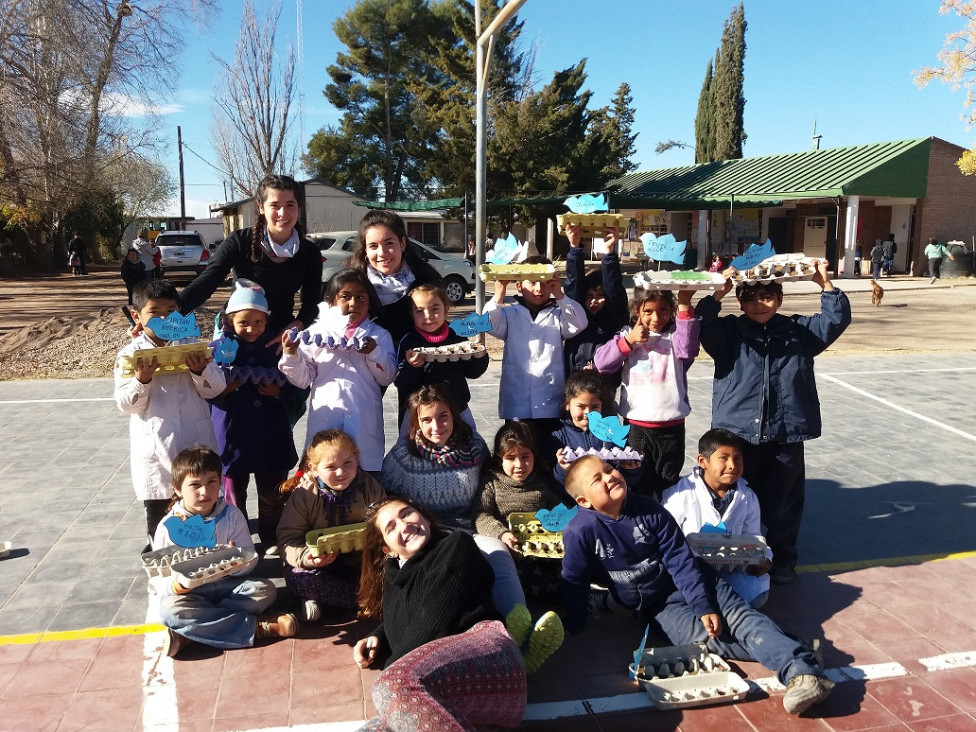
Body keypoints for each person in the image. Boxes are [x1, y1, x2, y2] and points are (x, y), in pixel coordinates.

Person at [560, 456, 835, 716]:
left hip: (699, 580)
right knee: (706, 641)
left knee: (741, 620)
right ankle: (796, 647)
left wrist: (703, 606)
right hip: (658, 607)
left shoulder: (651, 511)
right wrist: (574, 622)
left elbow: (680, 560)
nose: (610, 477)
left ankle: (803, 674)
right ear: (583, 501)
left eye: (609, 469)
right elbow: (575, 578)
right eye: (598, 479)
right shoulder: (580, 531)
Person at [695, 260, 851, 584]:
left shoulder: (798, 331)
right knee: (735, 497)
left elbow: (835, 320)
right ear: (739, 302)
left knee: (784, 500)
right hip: (738, 434)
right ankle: (736, 557)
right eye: (750, 298)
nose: (759, 304)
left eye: (767, 296)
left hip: (785, 432)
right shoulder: (729, 333)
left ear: (779, 298)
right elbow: (699, 323)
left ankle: (782, 559)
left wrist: (826, 285)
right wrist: (718, 291)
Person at [381, 383, 557, 654]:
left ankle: (519, 631)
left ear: (454, 415)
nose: (436, 426)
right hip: (425, 536)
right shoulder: (402, 458)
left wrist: (500, 531)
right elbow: (384, 500)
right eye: (426, 420)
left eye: (443, 416)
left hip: (468, 528)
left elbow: (489, 490)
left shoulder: (474, 449)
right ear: (416, 424)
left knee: (499, 555)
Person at [353, 498, 528, 730]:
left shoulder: (455, 546)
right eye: (391, 527)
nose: (404, 525)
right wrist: (380, 635)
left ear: (424, 516)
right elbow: (414, 613)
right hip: (438, 685)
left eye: (407, 514)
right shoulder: (395, 576)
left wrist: (391, 675)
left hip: (493, 660)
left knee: (392, 687)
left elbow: (434, 618)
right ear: (387, 549)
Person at [151, 446, 297, 658]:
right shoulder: (167, 527)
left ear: (220, 481)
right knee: (170, 611)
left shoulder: (231, 515)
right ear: (177, 488)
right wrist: (178, 586)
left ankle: (191, 634)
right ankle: (257, 627)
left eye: (212, 482)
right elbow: (158, 577)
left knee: (265, 590)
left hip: (228, 586)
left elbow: (250, 555)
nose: (205, 491)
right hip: (191, 594)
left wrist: (239, 563)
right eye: (195, 485)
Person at [114, 279, 226, 547]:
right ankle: (163, 566)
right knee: (161, 518)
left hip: (195, 443)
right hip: (156, 453)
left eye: (170, 311)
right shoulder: (130, 355)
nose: (164, 318)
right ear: (136, 316)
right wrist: (141, 380)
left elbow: (216, 388)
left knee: (204, 510)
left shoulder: (194, 347)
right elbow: (126, 404)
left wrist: (200, 370)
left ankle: (207, 562)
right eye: (155, 312)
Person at [208, 280, 298, 552]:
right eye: (244, 323)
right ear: (230, 320)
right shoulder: (218, 348)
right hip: (233, 432)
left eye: (259, 322)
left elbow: (296, 379)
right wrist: (223, 390)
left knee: (272, 489)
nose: (252, 329)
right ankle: (239, 537)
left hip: (270, 430)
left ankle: (271, 534)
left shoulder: (275, 345)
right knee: (234, 491)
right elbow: (204, 385)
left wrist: (279, 392)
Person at [279, 268, 396, 473]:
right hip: (326, 416)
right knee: (325, 474)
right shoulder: (315, 334)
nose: (353, 303)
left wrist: (374, 353)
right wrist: (291, 354)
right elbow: (302, 379)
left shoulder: (379, 336)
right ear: (331, 300)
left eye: (361, 297)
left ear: (370, 300)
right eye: (345, 296)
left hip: (363, 418)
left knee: (362, 481)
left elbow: (387, 376)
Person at [180, 175, 323, 339]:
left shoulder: (309, 252)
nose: (283, 213)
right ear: (261, 207)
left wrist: (295, 327)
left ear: (299, 207)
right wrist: (165, 315)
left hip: (279, 338)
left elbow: (312, 303)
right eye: (275, 205)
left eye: (290, 205)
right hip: (237, 334)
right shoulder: (239, 241)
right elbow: (205, 283)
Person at [594, 287, 699, 498]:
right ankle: (640, 524)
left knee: (669, 482)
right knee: (636, 479)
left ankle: (666, 522)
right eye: (648, 311)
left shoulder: (675, 337)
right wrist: (629, 341)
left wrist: (685, 304)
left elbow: (687, 349)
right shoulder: (627, 334)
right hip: (637, 426)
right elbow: (601, 363)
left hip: (672, 427)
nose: (656, 317)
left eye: (663, 310)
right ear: (637, 310)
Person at [276, 430, 386, 622]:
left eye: (347, 464)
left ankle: (355, 596)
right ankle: (367, 598)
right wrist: (308, 558)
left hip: (360, 564)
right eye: (331, 467)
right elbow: (288, 540)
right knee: (300, 578)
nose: (341, 473)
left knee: (391, 569)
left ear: (357, 458)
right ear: (314, 468)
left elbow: (386, 523)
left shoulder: (369, 487)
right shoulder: (305, 495)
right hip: (320, 569)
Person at [661, 428, 772, 608]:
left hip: (731, 569)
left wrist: (763, 559)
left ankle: (721, 603)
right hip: (690, 569)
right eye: (724, 458)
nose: (732, 465)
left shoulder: (747, 497)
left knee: (757, 596)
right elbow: (666, 540)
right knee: (685, 596)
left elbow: (754, 536)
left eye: (737, 458)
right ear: (702, 461)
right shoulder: (679, 495)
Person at [484, 255, 588, 444]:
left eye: (545, 283)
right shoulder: (510, 313)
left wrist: (561, 295)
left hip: (550, 399)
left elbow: (579, 323)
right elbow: (488, 324)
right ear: (518, 286)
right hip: (517, 400)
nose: (539, 289)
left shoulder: (558, 313)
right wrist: (498, 294)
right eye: (532, 283)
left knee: (549, 451)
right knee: (519, 449)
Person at [474, 421, 570, 597]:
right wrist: (501, 534)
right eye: (511, 458)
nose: (519, 465)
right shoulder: (492, 482)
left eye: (525, 456)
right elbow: (481, 516)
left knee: (572, 570)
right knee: (511, 576)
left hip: (544, 550)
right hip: (513, 552)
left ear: (534, 456)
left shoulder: (540, 483)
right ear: (499, 458)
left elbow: (562, 511)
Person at [393, 282, 489, 430]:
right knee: (411, 450)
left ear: (446, 309)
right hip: (420, 412)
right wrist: (410, 366)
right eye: (419, 311)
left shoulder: (457, 335)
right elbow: (401, 382)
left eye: (435, 309)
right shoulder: (409, 342)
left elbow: (472, 372)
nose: (428, 316)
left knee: (468, 446)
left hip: (457, 408)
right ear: (412, 314)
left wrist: (479, 355)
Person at [345, 209, 442, 344]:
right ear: (365, 250)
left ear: (402, 243)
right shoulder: (352, 285)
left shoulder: (425, 280)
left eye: (389, 243)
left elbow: (439, 329)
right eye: (373, 246)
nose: (382, 253)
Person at [546, 370, 642, 489]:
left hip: (608, 499)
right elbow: (554, 484)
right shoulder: (558, 438)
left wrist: (631, 469)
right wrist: (563, 469)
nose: (588, 412)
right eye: (581, 406)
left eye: (595, 407)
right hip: (575, 502)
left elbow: (630, 481)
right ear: (567, 404)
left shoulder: (611, 433)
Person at [563, 224, 629, 380]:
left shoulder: (611, 318)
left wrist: (609, 252)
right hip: (574, 385)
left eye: (600, 295)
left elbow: (613, 289)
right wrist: (574, 247)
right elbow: (574, 285)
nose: (594, 301)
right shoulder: (577, 318)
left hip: (603, 387)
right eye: (589, 296)